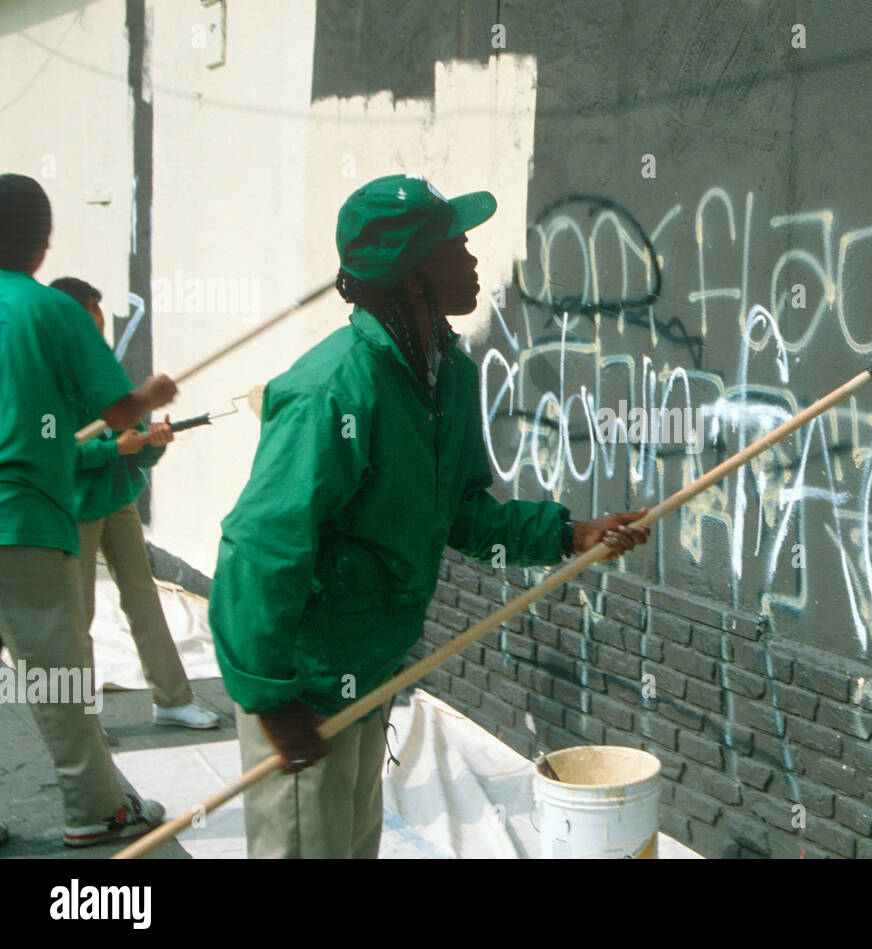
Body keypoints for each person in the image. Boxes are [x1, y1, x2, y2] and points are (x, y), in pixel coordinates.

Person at [209, 173, 650, 858]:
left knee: (352, 847)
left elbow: (464, 516)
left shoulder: (447, 375)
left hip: (372, 667)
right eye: (457, 247)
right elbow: (259, 541)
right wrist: (268, 695)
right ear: (411, 273)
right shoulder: (336, 386)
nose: (473, 260)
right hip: (307, 678)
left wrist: (571, 533)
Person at [0, 174, 178, 846]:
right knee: (55, 674)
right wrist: (153, 391)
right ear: (42, 241)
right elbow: (119, 410)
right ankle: (96, 809)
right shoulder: (51, 311)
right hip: (20, 519)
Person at [50, 276, 220, 731]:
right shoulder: (44, 376)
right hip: (75, 507)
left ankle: (172, 699)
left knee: (143, 599)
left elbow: (136, 445)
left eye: (99, 314)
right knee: (77, 616)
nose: (98, 325)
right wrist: (113, 449)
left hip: (117, 499)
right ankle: (82, 721)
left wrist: (155, 442)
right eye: (89, 315)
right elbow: (53, 454)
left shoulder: (103, 370)